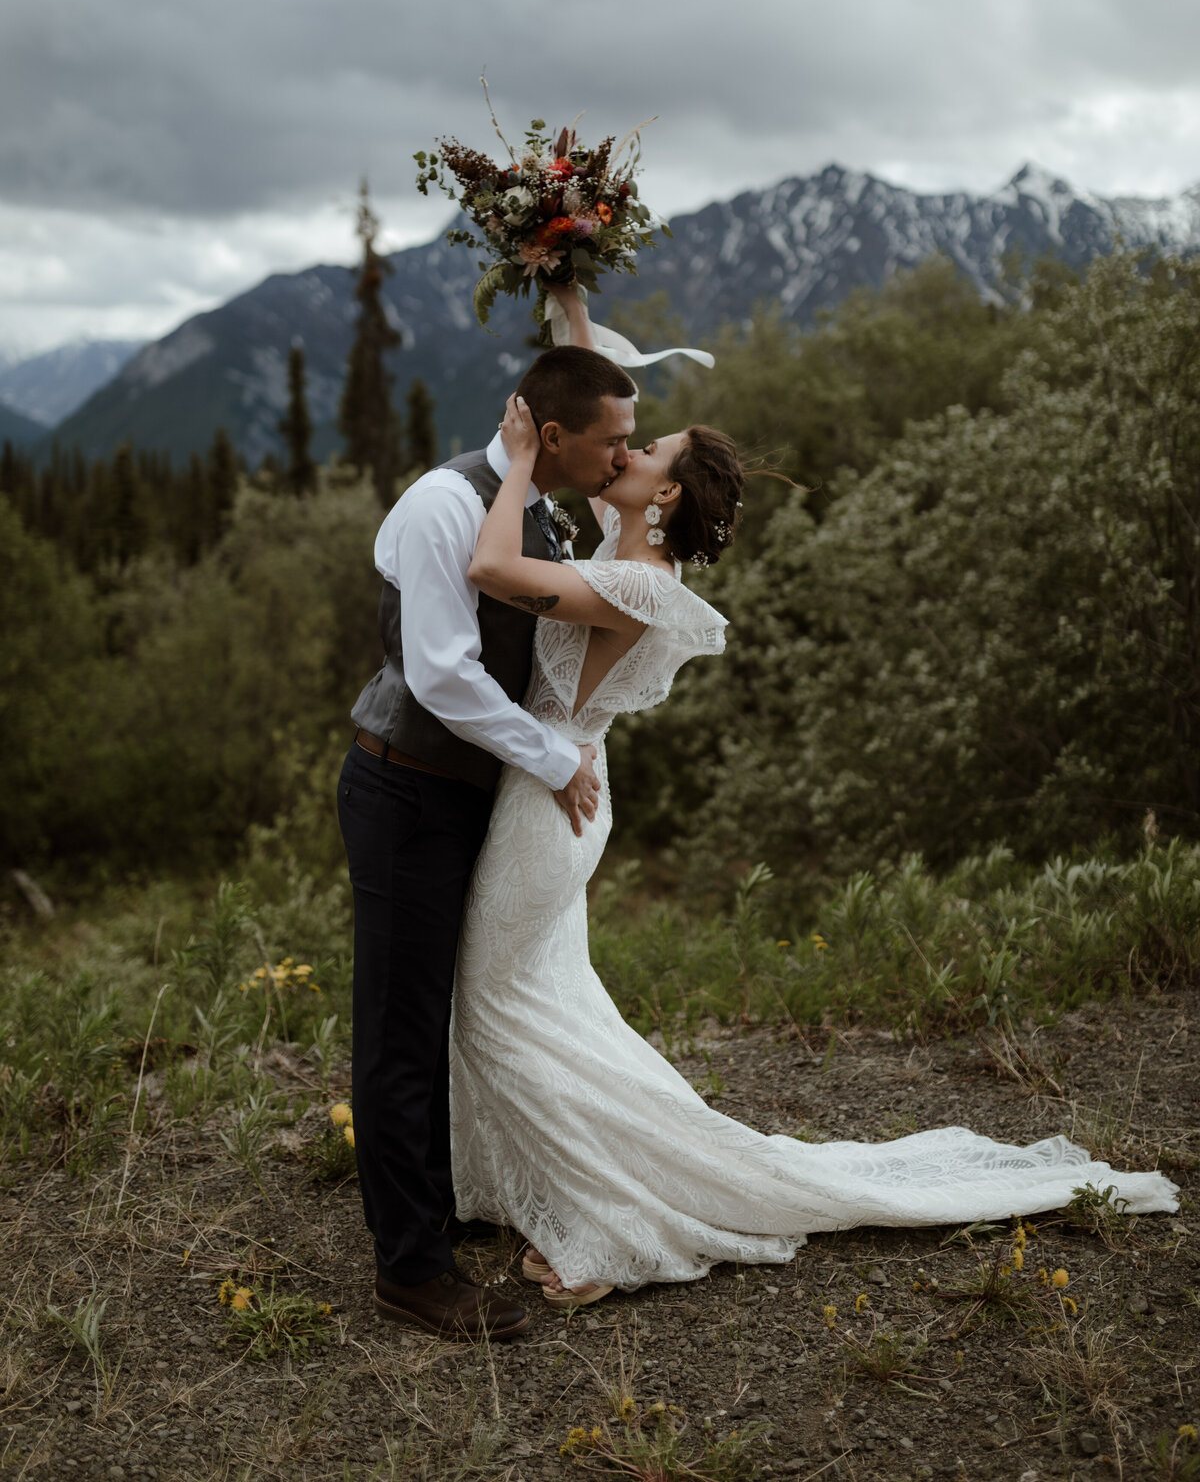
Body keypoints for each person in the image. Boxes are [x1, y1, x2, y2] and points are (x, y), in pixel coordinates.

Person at [449, 284, 1179, 1308]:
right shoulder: (625, 550)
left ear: (659, 497)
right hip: (561, 784)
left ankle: (608, 1221)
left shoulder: (640, 585)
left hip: (548, 804)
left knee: (491, 1005)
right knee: (540, 1002)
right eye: (623, 441)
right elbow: (593, 396)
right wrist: (570, 284)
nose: (621, 454)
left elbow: (489, 563)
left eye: (641, 453)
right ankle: (535, 1179)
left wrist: (521, 460)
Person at [337, 334, 638, 1340]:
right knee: (398, 1026)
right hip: (405, 789)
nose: (621, 461)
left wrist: (567, 280)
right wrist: (554, 761)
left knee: (437, 1015)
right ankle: (410, 1272)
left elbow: (592, 391)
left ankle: (426, 1209)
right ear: (553, 437)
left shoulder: (538, 498)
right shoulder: (443, 506)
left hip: (467, 796)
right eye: (610, 444)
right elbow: (443, 675)